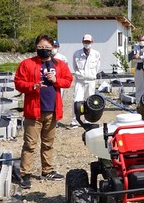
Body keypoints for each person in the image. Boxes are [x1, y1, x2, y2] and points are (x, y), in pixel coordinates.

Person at [14, 34, 73, 188]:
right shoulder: (27, 64)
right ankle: (25, 174)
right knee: (30, 144)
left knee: (48, 143)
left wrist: (56, 80)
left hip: (52, 109)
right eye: (41, 47)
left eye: (47, 48)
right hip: (34, 110)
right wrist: (32, 86)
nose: (44, 50)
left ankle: (47, 170)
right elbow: (18, 83)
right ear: (35, 47)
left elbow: (68, 81)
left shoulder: (59, 64)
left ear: (52, 48)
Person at [67, 34, 101, 129]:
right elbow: (75, 67)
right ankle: (74, 121)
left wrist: (91, 74)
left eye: (89, 42)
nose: (87, 43)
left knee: (89, 101)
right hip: (80, 81)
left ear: (92, 42)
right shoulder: (76, 54)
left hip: (91, 80)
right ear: (82, 42)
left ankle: (88, 119)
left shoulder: (96, 54)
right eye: (85, 42)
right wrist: (81, 74)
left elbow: (97, 67)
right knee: (77, 100)